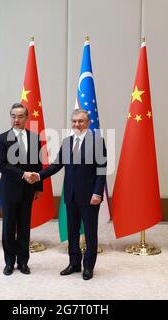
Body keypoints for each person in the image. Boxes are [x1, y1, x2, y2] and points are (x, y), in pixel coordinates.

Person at [26, 109, 107, 280]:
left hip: (90, 196)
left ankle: (88, 267)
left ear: (88, 123)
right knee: (72, 232)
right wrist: (38, 175)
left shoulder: (97, 142)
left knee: (90, 233)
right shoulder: (67, 142)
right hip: (70, 195)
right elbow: (56, 165)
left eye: (81, 121)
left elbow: (101, 171)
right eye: (74, 121)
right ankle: (74, 263)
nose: (77, 124)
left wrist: (97, 193)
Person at [0, 103, 42, 276]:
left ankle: (23, 262)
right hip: (9, 190)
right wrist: (23, 174)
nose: (16, 119)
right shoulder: (2, 139)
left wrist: (38, 187)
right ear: (10, 117)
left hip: (28, 191)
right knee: (8, 228)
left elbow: (38, 165)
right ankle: (9, 262)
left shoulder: (35, 138)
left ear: (26, 118)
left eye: (20, 116)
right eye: (13, 116)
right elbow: (2, 165)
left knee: (24, 227)